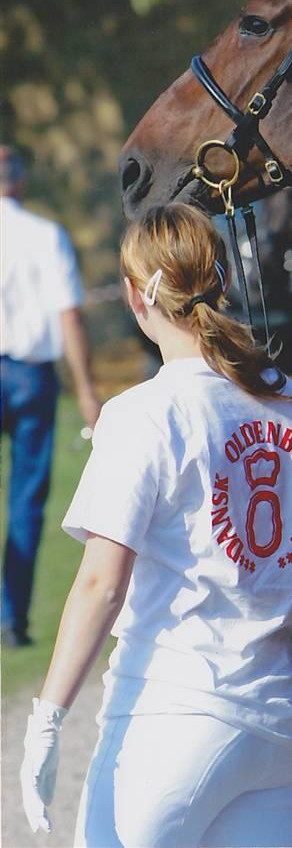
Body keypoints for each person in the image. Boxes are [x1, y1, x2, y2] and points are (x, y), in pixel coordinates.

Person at [20, 203, 292, 848]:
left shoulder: (144, 413)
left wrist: (46, 721)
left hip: (174, 714)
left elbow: (102, 583)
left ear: (136, 294)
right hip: (285, 725)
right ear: (223, 284)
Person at [1, 145, 101, 647]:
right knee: (26, 499)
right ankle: (11, 618)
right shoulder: (45, 235)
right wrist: (86, 388)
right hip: (31, 374)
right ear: (17, 181)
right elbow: (69, 316)